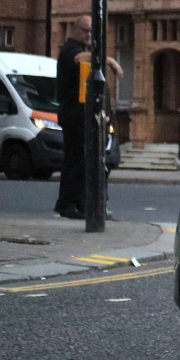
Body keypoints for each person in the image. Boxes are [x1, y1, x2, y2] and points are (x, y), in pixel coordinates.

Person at [55, 16, 122, 219]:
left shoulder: (88, 52)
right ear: (74, 29)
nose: (89, 34)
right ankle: (69, 203)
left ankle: (85, 203)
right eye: (85, 30)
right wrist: (109, 61)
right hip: (75, 115)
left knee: (91, 160)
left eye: (92, 31)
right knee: (78, 160)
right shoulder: (70, 50)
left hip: (89, 116)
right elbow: (78, 58)